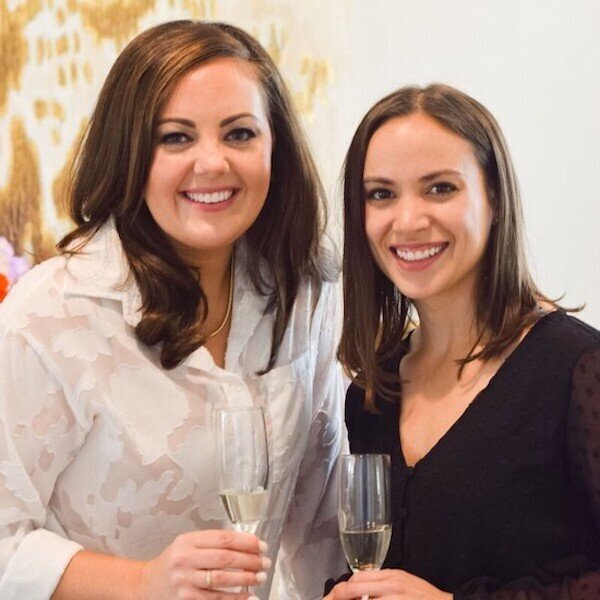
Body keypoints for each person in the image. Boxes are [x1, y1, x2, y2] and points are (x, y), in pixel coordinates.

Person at [0, 20, 347, 599]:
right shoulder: (52, 313)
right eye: (176, 138)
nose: (212, 164)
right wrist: (145, 582)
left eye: (239, 134)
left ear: (275, 148)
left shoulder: (305, 293)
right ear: (130, 152)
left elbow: (319, 529)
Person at [325, 84, 600, 599]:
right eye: (381, 194)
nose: (408, 221)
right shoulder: (372, 395)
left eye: (439, 188)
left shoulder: (579, 368)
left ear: (494, 199)